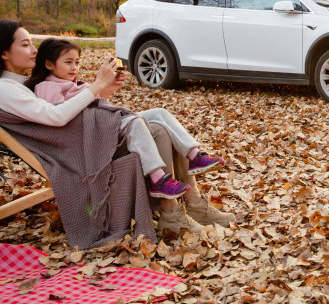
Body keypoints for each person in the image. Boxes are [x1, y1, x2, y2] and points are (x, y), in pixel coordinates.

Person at [0, 20, 234, 246]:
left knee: (160, 124)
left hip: (85, 137)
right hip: (75, 153)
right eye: (24, 44)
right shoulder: (5, 89)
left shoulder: (22, 84)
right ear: (3, 52)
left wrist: (105, 89)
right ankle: (171, 213)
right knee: (156, 131)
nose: (33, 49)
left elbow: (75, 112)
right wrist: (96, 86)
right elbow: (57, 117)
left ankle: (190, 205)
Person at [26, 38, 224, 199]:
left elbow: (92, 103)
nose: (74, 67)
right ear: (49, 64)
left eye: (77, 62)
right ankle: (157, 178)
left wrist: (108, 89)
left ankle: (195, 155)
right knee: (134, 122)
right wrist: (97, 84)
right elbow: (62, 116)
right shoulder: (46, 87)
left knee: (159, 113)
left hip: (103, 120)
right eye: (68, 62)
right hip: (92, 133)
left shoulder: (74, 84)